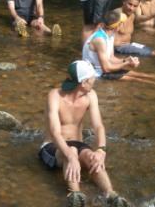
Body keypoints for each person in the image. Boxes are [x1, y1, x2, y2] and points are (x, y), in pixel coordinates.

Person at [39, 60, 130, 207]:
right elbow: (55, 133)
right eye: (92, 77)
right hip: (52, 146)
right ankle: (75, 195)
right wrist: (69, 155)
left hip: (77, 143)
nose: (95, 79)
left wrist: (101, 150)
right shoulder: (54, 95)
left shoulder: (91, 95)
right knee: (72, 151)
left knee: (92, 156)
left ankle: (111, 195)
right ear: (83, 82)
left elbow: (98, 126)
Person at [82, 9, 155, 86]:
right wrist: (125, 65)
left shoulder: (110, 35)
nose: (123, 24)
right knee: (137, 78)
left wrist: (126, 60)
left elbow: (111, 57)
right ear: (116, 26)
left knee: (141, 74)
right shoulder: (100, 40)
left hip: (104, 68)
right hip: (97, 73)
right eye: (121, 23)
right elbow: (106, 69)